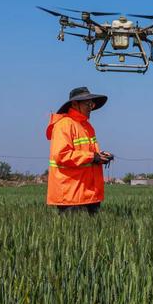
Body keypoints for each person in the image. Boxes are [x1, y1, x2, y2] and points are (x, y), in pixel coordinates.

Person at [46, 87, 113, 215]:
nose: (91, 107)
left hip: (89, 193)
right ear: (75, 104)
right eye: (87, 104)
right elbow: (61, 155)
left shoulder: (87, 126)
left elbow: (90, 154)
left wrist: (101, 157)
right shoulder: (64, 124)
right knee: (72, 234)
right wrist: (93, 157)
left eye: (92, 104)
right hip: (71, 195)